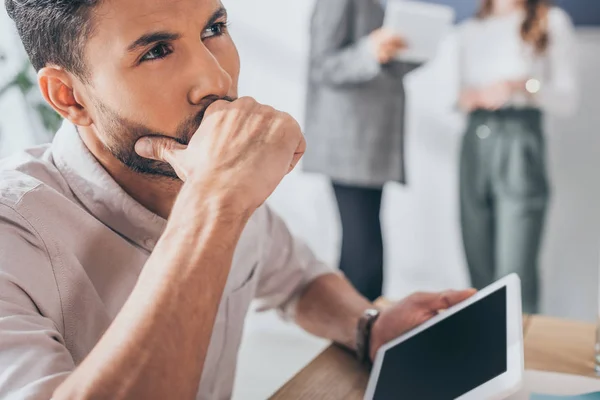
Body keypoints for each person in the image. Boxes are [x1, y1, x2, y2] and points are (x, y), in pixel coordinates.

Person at [0, 0, 475, 398]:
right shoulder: (14, 235)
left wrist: (370, 325)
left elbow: (297, 281)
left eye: (214, 29)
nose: (217, 80)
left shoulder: (213, 178)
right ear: (69, 96)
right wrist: (216, 201)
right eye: (157, 51)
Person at [456, 0, 577, 313]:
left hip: (520, 139)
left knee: (515, 271)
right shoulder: (471, 28)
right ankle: (485, 355)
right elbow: (453, 93)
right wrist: (466, 97)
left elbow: (567, 100)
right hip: (475, 137)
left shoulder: (551, 22)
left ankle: (519, 354)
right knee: (477, 263)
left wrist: (521, 86)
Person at [303, 0, 421, 301]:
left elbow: (385, 65)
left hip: (374, 140)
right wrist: (370, 49)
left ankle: (361, 333)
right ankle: (359, 334)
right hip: (348, 140)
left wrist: (414, 50)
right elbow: (323, 65)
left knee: (366, 242)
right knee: (363, 247)